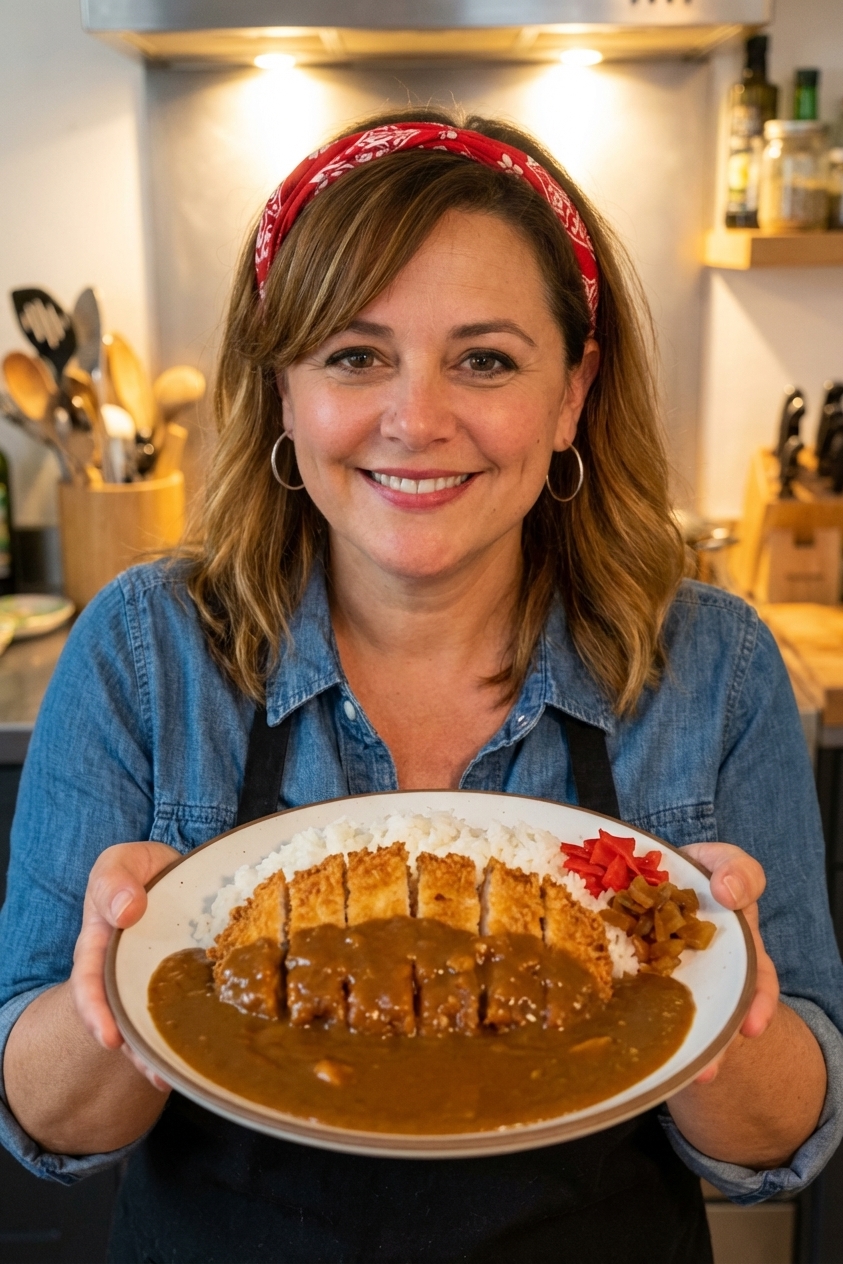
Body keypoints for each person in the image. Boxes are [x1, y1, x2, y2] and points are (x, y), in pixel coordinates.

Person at [0, 108, 841, 1264]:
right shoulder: (143, 655)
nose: (417, 419)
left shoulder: (716, 668)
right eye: (356, 356)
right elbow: (48, 1123)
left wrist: (716, 977)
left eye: (485, 359)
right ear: (284, 390)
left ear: (571, 394)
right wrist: (115, 981)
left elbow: (779, 1137)